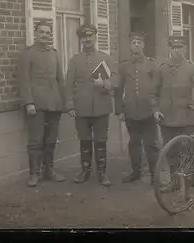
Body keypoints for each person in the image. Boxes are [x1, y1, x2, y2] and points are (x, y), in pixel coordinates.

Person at [152, 35, 194, 193]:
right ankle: (175, 181)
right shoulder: (162, 69)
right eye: (174, 48)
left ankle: (190, 184)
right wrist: (155, 109)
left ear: (185, 49)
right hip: (167, 117)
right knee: (171, 152)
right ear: (170, 49)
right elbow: (153, 92)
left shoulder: (192, 68)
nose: (177, 51)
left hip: (186, 117)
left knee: (189, 151)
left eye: (181, 48)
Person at [65, 24, 118, 186]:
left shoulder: (106, 58)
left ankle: (102, 173)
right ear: (80, 40)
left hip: (101, 107)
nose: (87, 39)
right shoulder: (75, 60)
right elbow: (68, 84)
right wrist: (70, 105)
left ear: (95, 37)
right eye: (84, 37)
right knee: (84, 140)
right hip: (81, 108)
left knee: (101, 141)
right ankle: (85, 171)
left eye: (90, 36)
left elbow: (116, 79)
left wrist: (105, 83)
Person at [17, 21, 66, 187]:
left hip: (55, 103)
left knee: (51, 140)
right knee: (36, 141)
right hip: (36, 103)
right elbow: (23, 80)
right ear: (36, 34)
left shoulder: (54, 53)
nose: (45, 35)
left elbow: (60, 79)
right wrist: (29, 102)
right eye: (41, 32)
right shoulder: (28, 54)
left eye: (47, 32)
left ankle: (49, 171)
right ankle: (34, 174)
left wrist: (63, 101)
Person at [115, 32, 160, 185]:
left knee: (151, 144)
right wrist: (120, 110)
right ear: (129, 45)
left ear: (143, 45)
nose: (136, 45)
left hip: (148, 111)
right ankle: (136, 172)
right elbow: (118, 89)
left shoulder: (152, 64)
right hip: (130, 111)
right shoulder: (124, 65)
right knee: (134, 143)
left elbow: (157, 88)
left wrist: (156, 109)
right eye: (133, 42)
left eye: (139, 42)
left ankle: (155, 175)